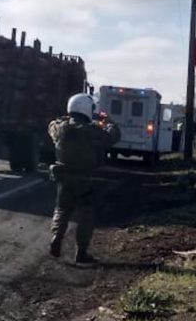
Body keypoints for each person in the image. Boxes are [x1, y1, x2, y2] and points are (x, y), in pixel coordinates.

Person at [48, 93, 121, 264]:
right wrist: (109, 121)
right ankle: (81, 251)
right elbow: (113, 136)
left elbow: (52, 124)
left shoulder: (60, 128)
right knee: (86, 214)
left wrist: (65, 118)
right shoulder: (91, 131)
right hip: (84, 178)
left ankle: (56, 237)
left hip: (63, 176)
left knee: (62, 210)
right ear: (87, 109)